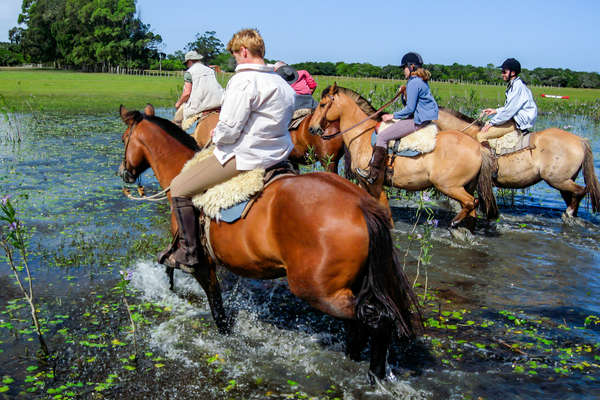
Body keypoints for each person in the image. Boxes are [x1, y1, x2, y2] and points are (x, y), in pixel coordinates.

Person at [160, 29, 296, 273]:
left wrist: (217, 134)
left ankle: (189, 253)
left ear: (243, 51)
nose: (235, 60)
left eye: (235, 55)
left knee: (180, 187)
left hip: (247, 157)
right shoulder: (280, 82)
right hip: (279, 153)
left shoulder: (243, 81)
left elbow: (230, 129)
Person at [356, 52, 439, 184]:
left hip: (417, 120)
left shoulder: (414, 83)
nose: (403, 71)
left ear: (411, 67)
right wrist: (404, 94)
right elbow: (411, 104)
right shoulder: (420, 81)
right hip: (423, 118)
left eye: (404, 68)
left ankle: (373, 173)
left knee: (382, 136)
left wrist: (392, 116)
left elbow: (409, 109)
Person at [481, 58, 537, 135]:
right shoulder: (513, 84)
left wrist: (491, 123)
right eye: (502, 72)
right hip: (517, 117)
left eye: (504, 72)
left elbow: (509, 111)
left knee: (482, 135)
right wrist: (495, 111)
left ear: (513, 72)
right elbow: (510, 108)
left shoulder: (517, 87)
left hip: (521, 120)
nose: (502, 74)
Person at [172, 50, 224, 129]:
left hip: (202, 103)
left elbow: (187, 93)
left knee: (177, 120)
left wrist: (178, 104)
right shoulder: (210, 70)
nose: (187, 66)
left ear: (189, 61)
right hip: (220, 101)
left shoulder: (189, 72)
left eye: (186, 63)